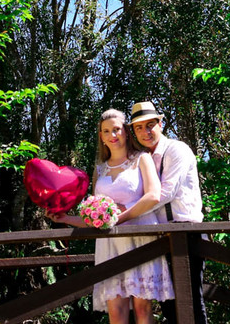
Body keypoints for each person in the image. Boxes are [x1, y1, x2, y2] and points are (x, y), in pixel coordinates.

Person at [50, 109, 174, 324]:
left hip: (139, 238)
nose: (112, 135)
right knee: (116, 312)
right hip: (109, 246)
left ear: (125, 131)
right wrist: (66, 218)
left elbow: (153, 195)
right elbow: (94, 217)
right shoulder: (100, 170)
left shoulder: (142, 159)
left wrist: (119, 217)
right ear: (101, 136)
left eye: (116, 129)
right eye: (106, 131)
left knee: (142, 309)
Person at [129, 101, 206, 324]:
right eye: (139, 127)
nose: (146, 132)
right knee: (169, 305)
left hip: (186, 233)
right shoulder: (142, 158)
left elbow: (165, 193)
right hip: (158, 236)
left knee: (190, 302)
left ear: (160, 124)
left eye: (150, 125)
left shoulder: (176, 149)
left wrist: (127, 213)